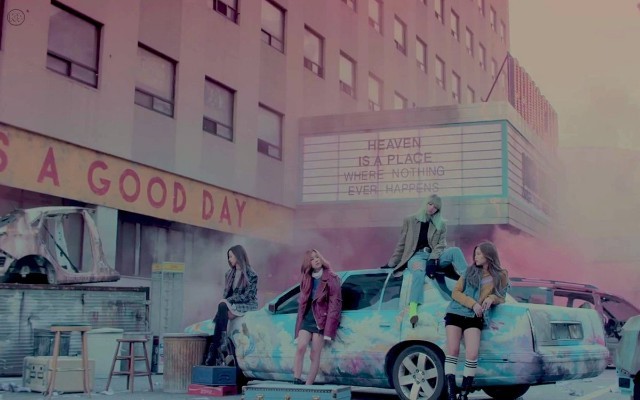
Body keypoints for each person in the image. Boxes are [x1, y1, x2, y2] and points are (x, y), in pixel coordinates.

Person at [382, 194, 468, 327]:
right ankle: (413, 309)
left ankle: (470, 282)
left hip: (434, 256)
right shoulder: (409, 220)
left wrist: (433, 259)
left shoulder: (441, 224)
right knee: (418, 273)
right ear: (425, 203)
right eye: (430, 204)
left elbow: (441, 245)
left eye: (436, 207)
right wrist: (391, 263)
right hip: (416, 256)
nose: (432, 208)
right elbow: (402, 244)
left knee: (455, 251)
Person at [443, 241, 509, 400]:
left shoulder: (501, 275)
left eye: (479, 254)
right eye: (475, 254)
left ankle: (464, 394)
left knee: (472, 354)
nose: (475, 257)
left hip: (474, 318)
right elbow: (455, 292)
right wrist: (473, 304)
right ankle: (451, 393)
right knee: (453, 351)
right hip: (456, 312)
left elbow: (502, 296)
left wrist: (491, 298)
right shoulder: (469, 271)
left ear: (488, 255)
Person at [293, 249, 342, 385]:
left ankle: (308, 385)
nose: (316, 260)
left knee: (314, 354)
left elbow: (335, 305)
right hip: (308, 317)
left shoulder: (332, 278)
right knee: (301, 347)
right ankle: (296, 379)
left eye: (317, 257)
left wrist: (329, 329)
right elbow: (302, 304)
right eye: (312, 259)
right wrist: (299, 323)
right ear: (308, 263)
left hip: (321, 320)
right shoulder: (307, 278)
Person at [204, 244, 258, 366]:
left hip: (247, 304)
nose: (229, 259)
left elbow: (248, 296)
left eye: (231, 256)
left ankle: (214, 351)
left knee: (222, 307)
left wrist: (228, 301)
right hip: (232, 305)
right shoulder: (229, 273)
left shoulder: (251, 274)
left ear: (238, 256)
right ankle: (221, 346)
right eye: (228, 257)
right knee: (222, 309)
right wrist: (226, 301)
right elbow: (226, 294)